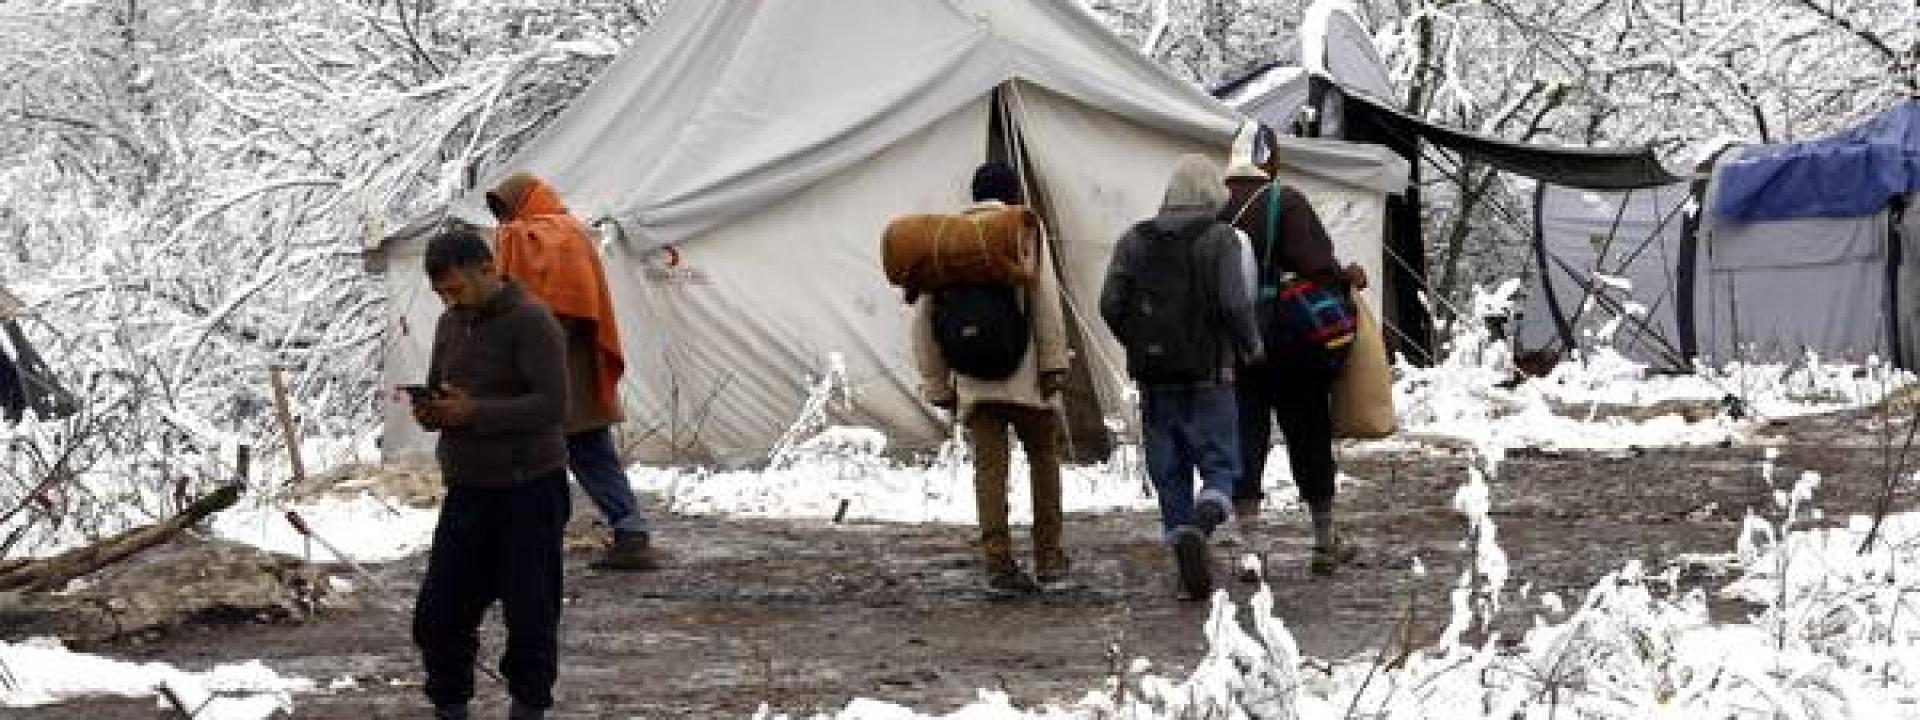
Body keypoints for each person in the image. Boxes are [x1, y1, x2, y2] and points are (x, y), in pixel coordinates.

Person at [410, 227, 570, 720]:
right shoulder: (449, 324)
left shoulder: (532, 322)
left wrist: (475, 413)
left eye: (455, 289)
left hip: (529, 488)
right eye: (440, 293)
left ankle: (528, 708)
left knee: (530, 614)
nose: (449, 300)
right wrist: (433, 410)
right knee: (440, 612)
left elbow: (553, 404)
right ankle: (451, 707)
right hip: (468, 488)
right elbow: (446, 389)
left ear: (486, 269)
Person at [1100, 154, 1262, 600]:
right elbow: (1234, 303)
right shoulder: (1221, 239)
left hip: (1155, 381)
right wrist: (1251, 346)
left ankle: (1183, 568)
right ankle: (1201, 526)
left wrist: (1138, 341)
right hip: (1211, 377)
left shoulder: (1134, 240)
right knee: (1220, 468)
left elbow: (1110, 304)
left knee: (1170, 476)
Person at [910, 161, 1071, 594]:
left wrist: (938, 385)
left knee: (989, 472)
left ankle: (998, 563)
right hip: (1025, 377)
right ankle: (1049, 556)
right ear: (1012, 193)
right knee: (1043, 458)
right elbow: (1044, 301)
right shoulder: (1020, 228)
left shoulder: (948, 241)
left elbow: (924, 320)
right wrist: (1053, 366)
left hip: (974, 380)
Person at [487, 173, 656, 571]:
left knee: (556, 451)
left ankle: (544, 536)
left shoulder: (542, 236)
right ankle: (626, 528)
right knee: (583, 450)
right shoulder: (567, 233)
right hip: (569, 361)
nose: (503, 221)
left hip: (560, 359)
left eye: (505, 210)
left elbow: (564, 301)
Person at [1221, 160, 1365, 577]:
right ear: (1270, 163)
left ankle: (1252, 551)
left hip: (1240, 346)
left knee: (1246, 442)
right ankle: (1323, 543)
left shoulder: (1215, 207)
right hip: (1293, 346)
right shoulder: (1288, 202)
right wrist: (1348, 275)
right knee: (1309, 437)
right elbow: (1318, 266)